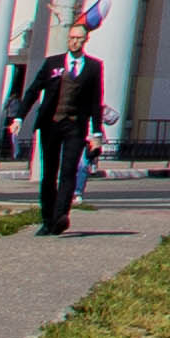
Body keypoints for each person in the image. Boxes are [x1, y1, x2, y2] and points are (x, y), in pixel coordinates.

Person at [19, 18, 109, 235]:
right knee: (49, 173)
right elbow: (33, 90)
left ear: (86, 40)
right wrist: (19, 117)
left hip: (75, 126)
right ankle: (47, 219)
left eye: (78, 39)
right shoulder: (53, 64)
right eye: (71, 38)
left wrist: (96, 131)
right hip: (50, 124)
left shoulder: (94, 67)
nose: (74, 42)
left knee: (68, 171)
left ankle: (61, 216)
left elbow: (96, 100)